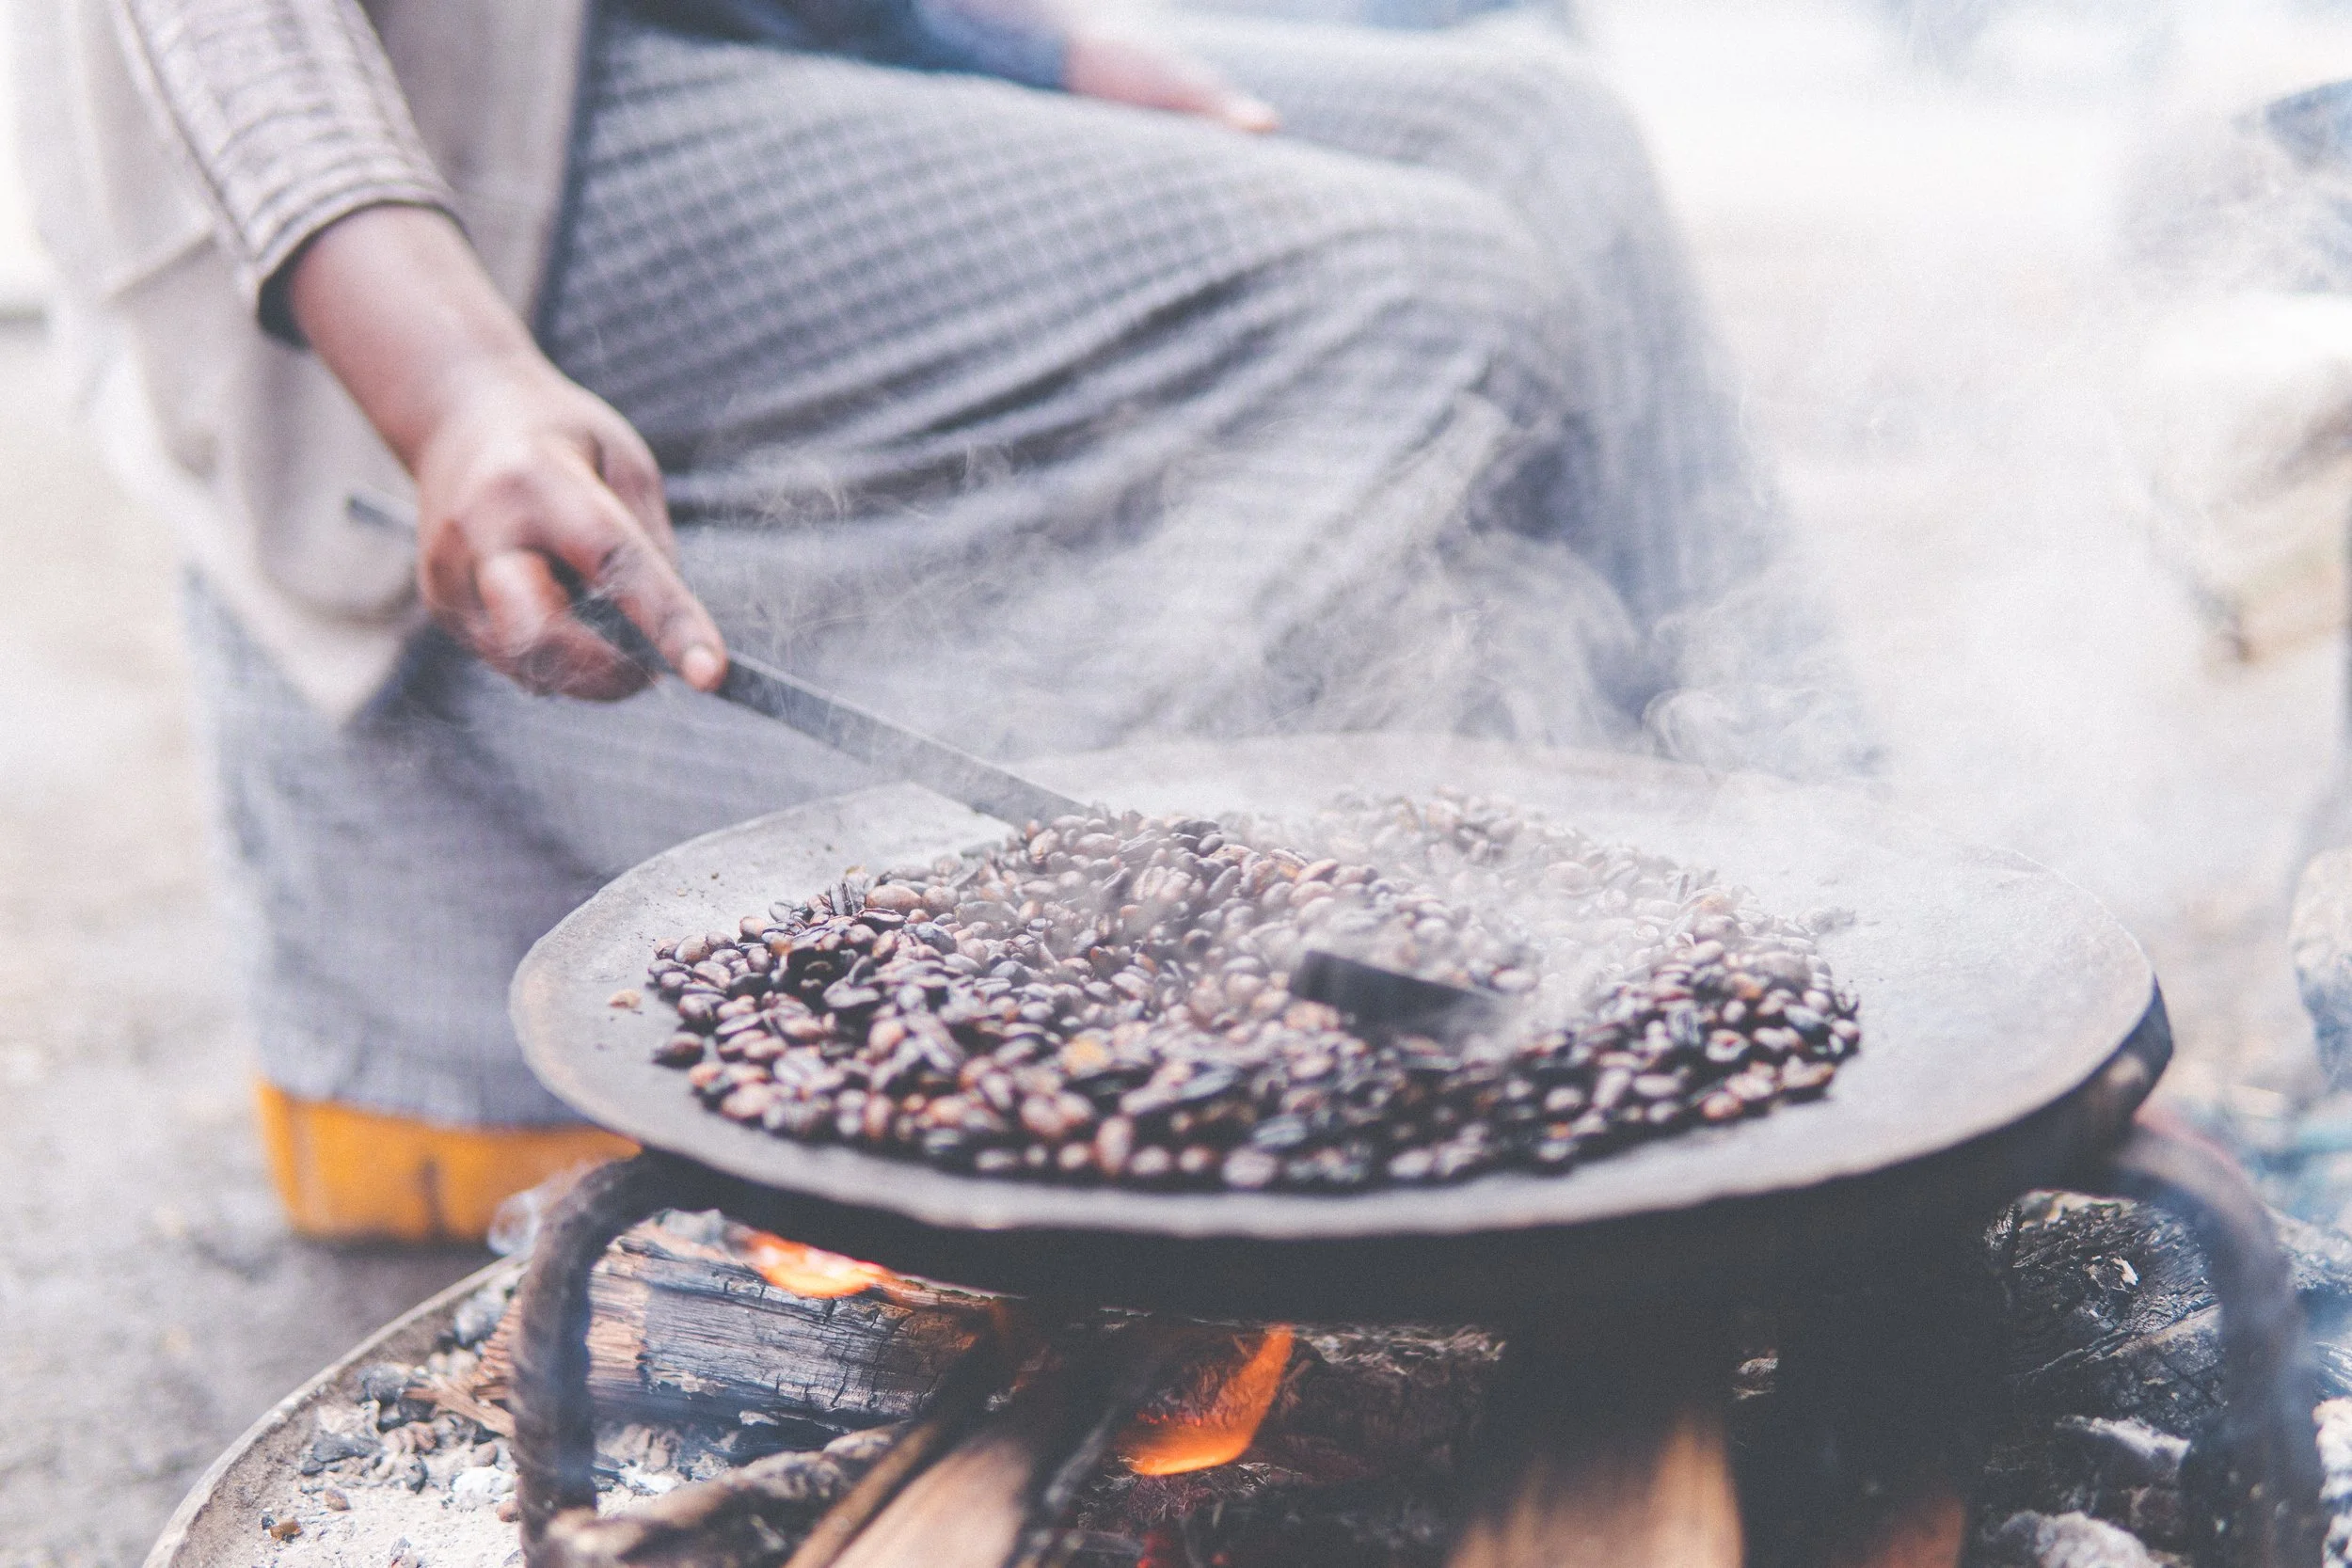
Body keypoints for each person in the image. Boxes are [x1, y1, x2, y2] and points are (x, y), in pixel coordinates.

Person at [21, 0, 1866, 1241]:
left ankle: (1834, 938)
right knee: (1420, 283)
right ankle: (1153, 1008)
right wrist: (447, 385)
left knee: (1542, 127)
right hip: (405, 165)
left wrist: (997, 45)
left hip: (686, 40)